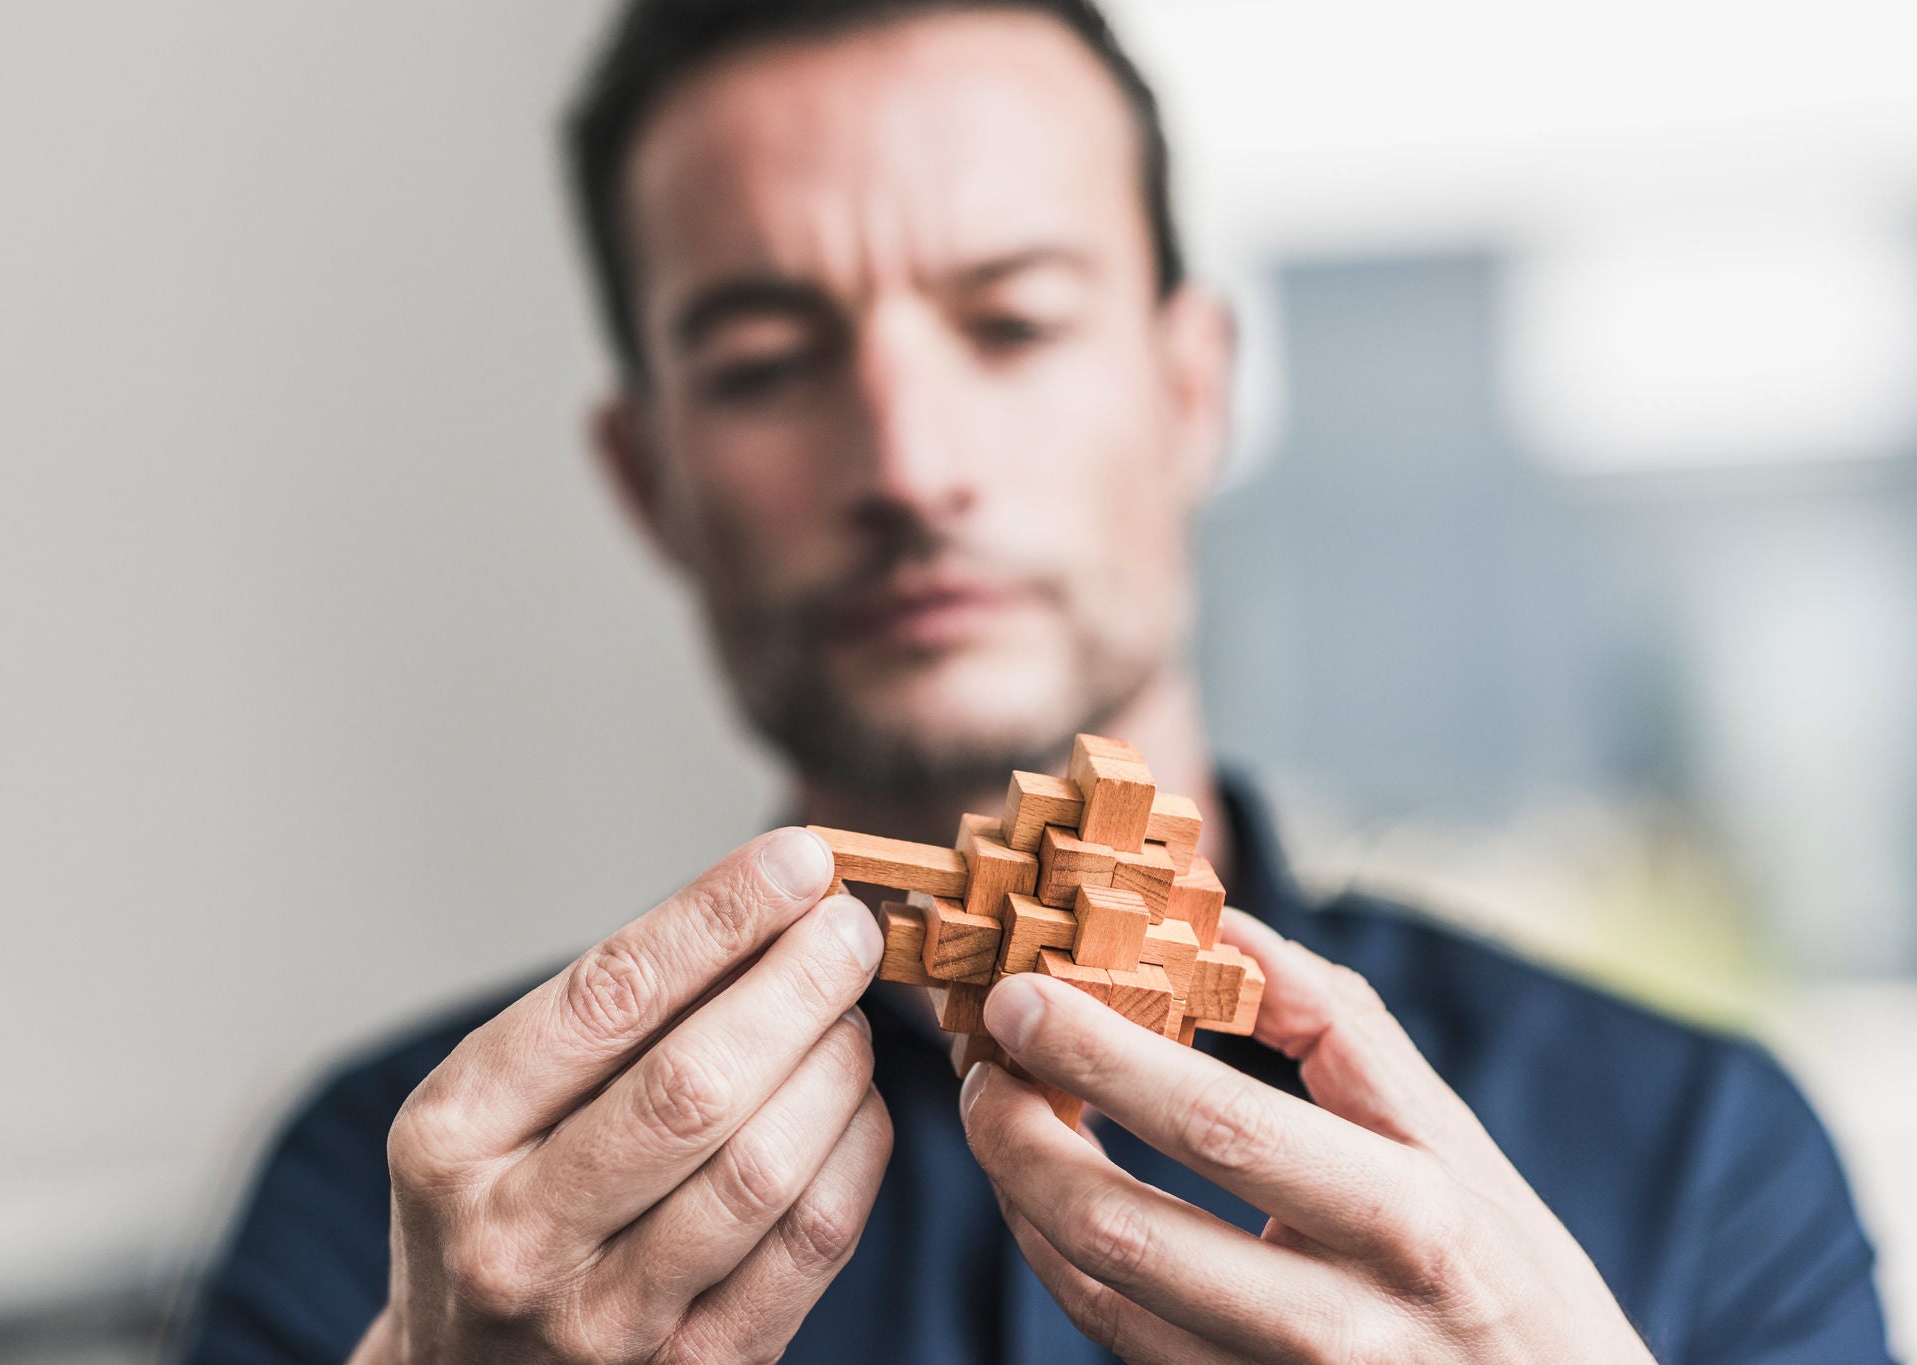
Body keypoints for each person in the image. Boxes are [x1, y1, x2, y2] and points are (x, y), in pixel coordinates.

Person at [178, 1, 1893, 1361]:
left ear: (1193, 388)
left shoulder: (1693, 1154)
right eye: (771, 361)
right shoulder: (422, 1207)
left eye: (1012, 323)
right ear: (649, 481)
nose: (913, 462)